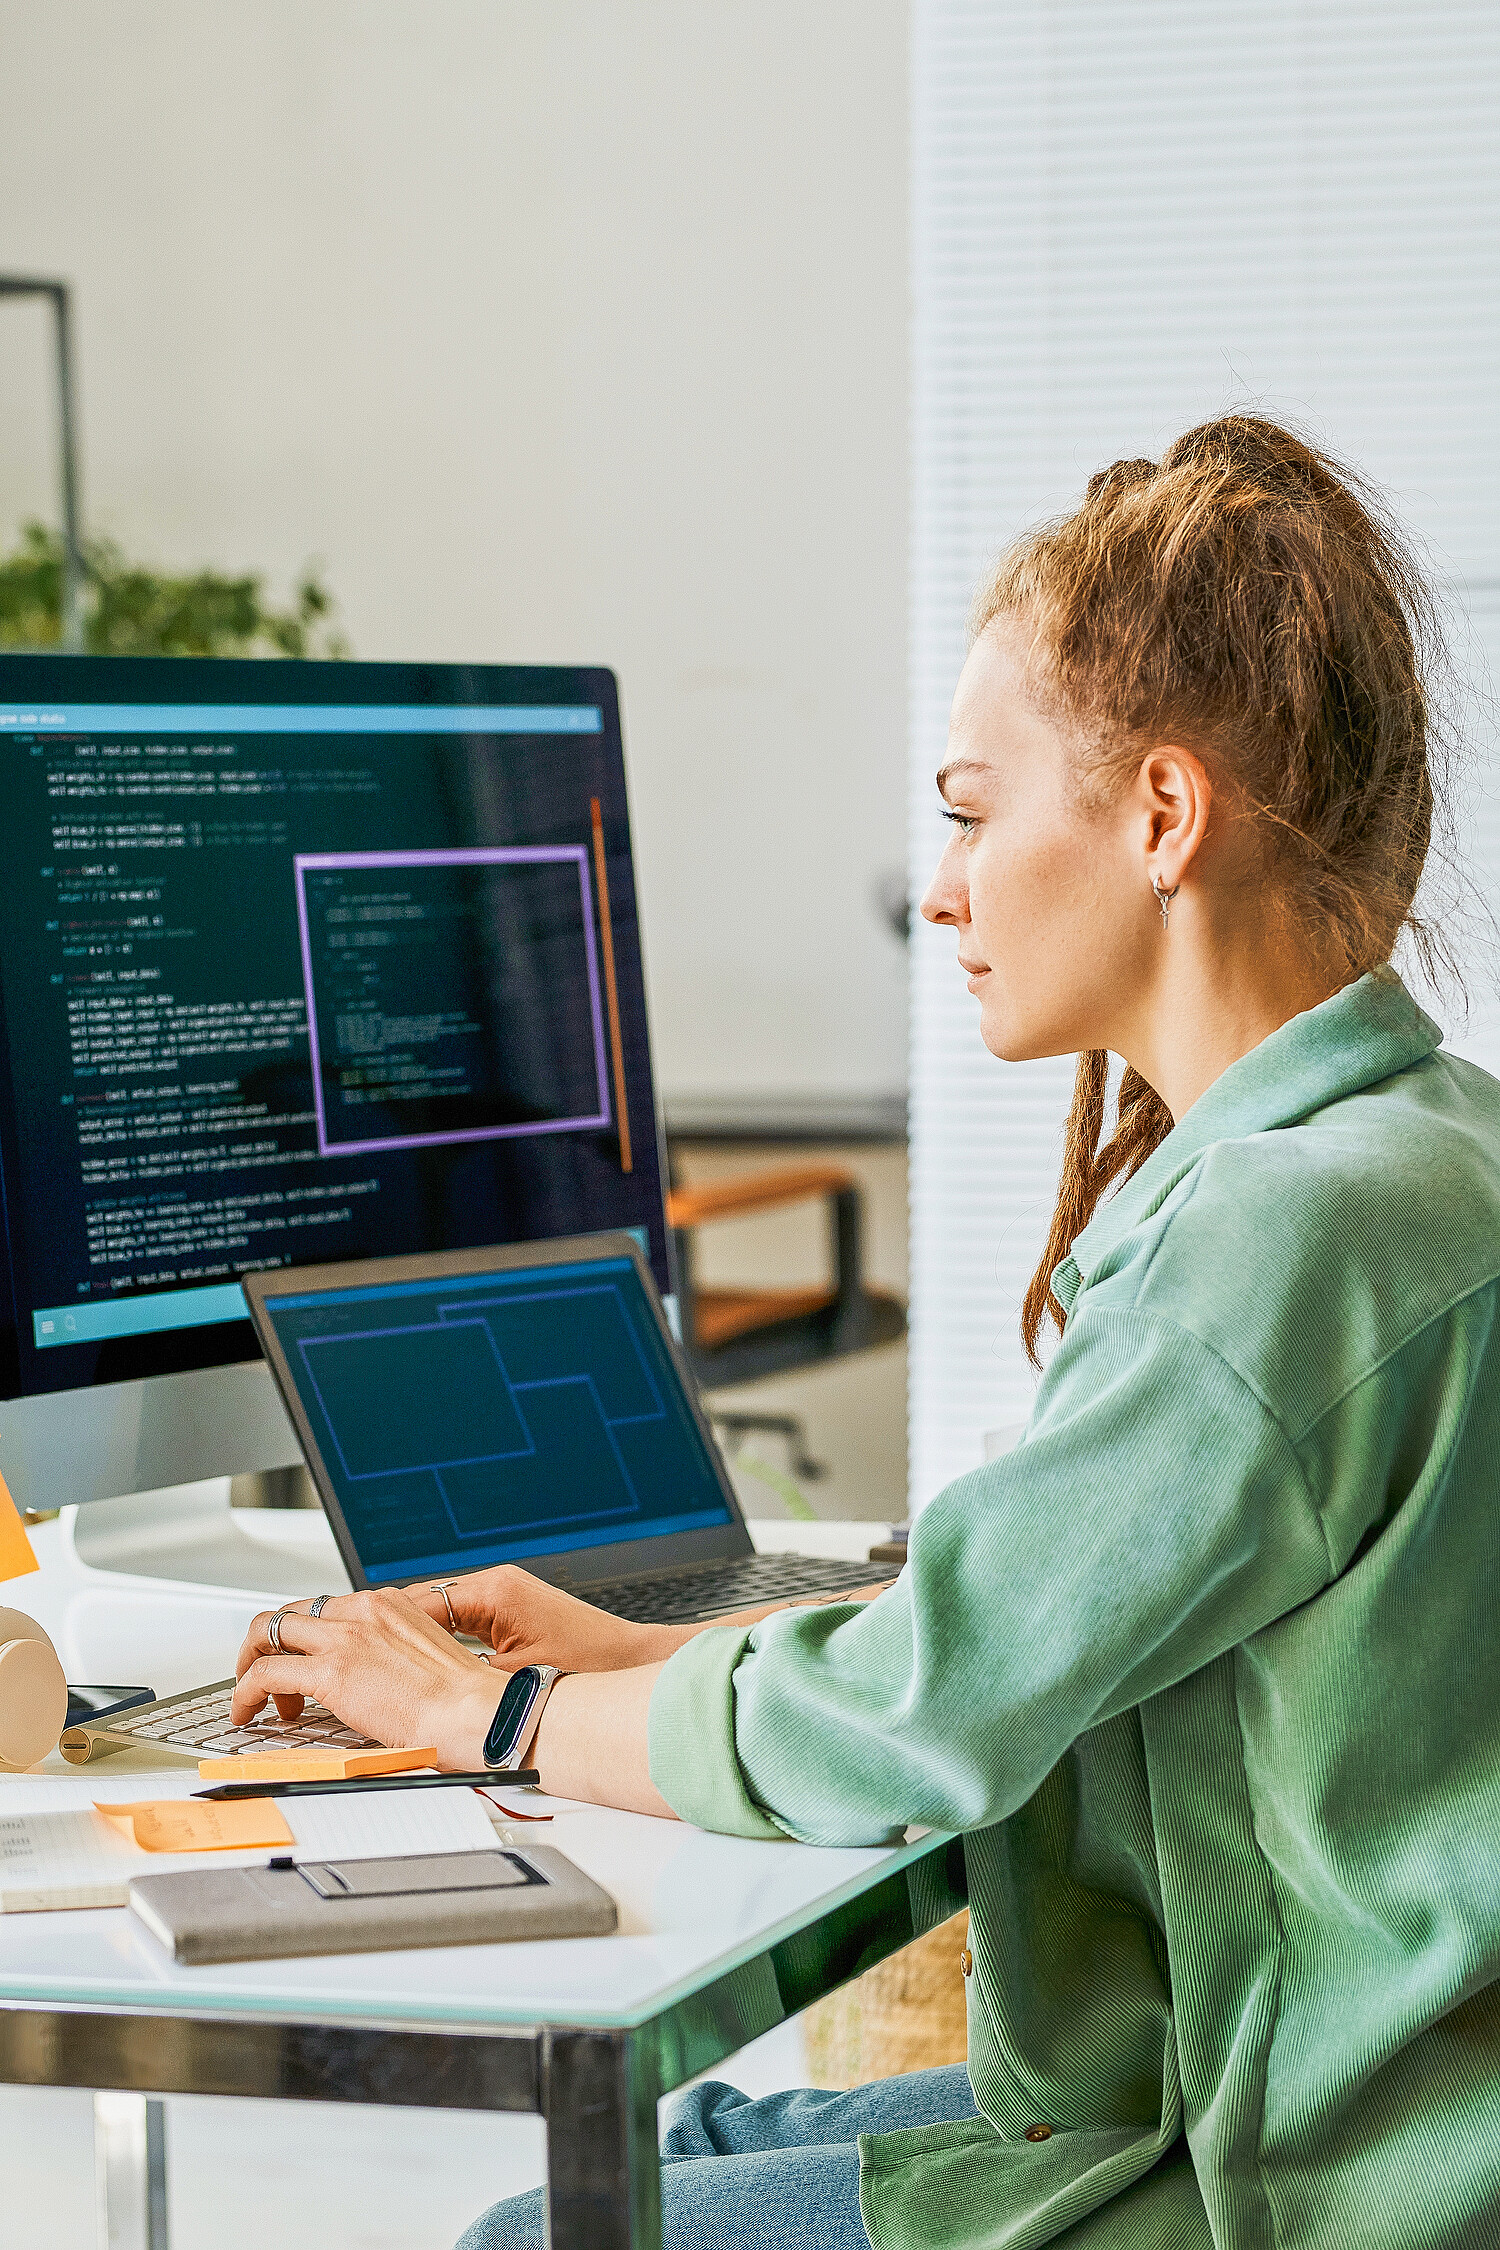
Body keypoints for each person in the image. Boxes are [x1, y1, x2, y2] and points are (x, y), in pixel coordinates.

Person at [234, 416, 1500, 2250]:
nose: (946, 884)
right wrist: (619, 1669)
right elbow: (1040, 1615)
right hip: (1310, 2081)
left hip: (1304, 2180)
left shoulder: (1285, 1232)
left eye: (975, 811)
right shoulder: (1425, 1143)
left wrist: (496, 1710)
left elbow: (931, 1715)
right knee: (720, 2132)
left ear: (1162, 814)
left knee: (544, 2234)